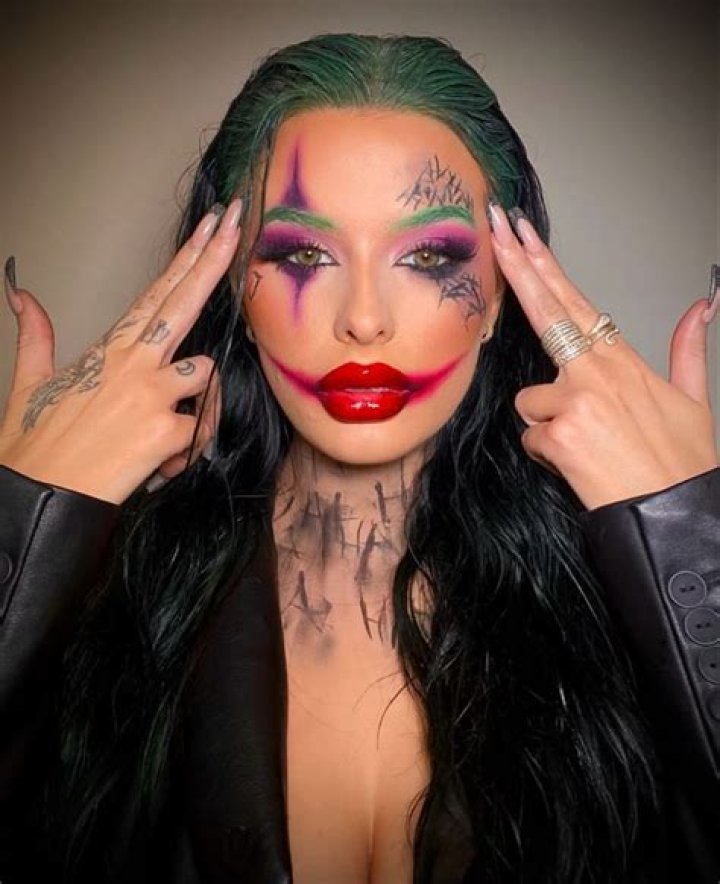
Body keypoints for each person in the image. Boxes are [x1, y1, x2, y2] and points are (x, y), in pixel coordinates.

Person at [0, 33, 718, 884]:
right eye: (303, 254)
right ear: (233, 286)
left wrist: (686, 535)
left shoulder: (625, 599)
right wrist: (28, 522)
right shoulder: (109, 590)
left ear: (499, 297)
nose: (365, 319)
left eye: (429, 257)